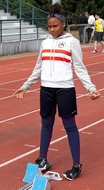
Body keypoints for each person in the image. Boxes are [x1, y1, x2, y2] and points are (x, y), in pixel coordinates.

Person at [13, 3, 101, 181]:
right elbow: (38, 67)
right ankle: (43, 159)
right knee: (46, 124)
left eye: (55, 26)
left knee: (70, 126)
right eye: (49, 27)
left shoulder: (72, 42)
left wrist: (91, 88)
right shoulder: (45, 43)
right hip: (46, 89)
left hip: (65, 90)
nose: (52, 29)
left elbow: (80, 68)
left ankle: (76, 165)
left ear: (63, 24)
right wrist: (25, 85)